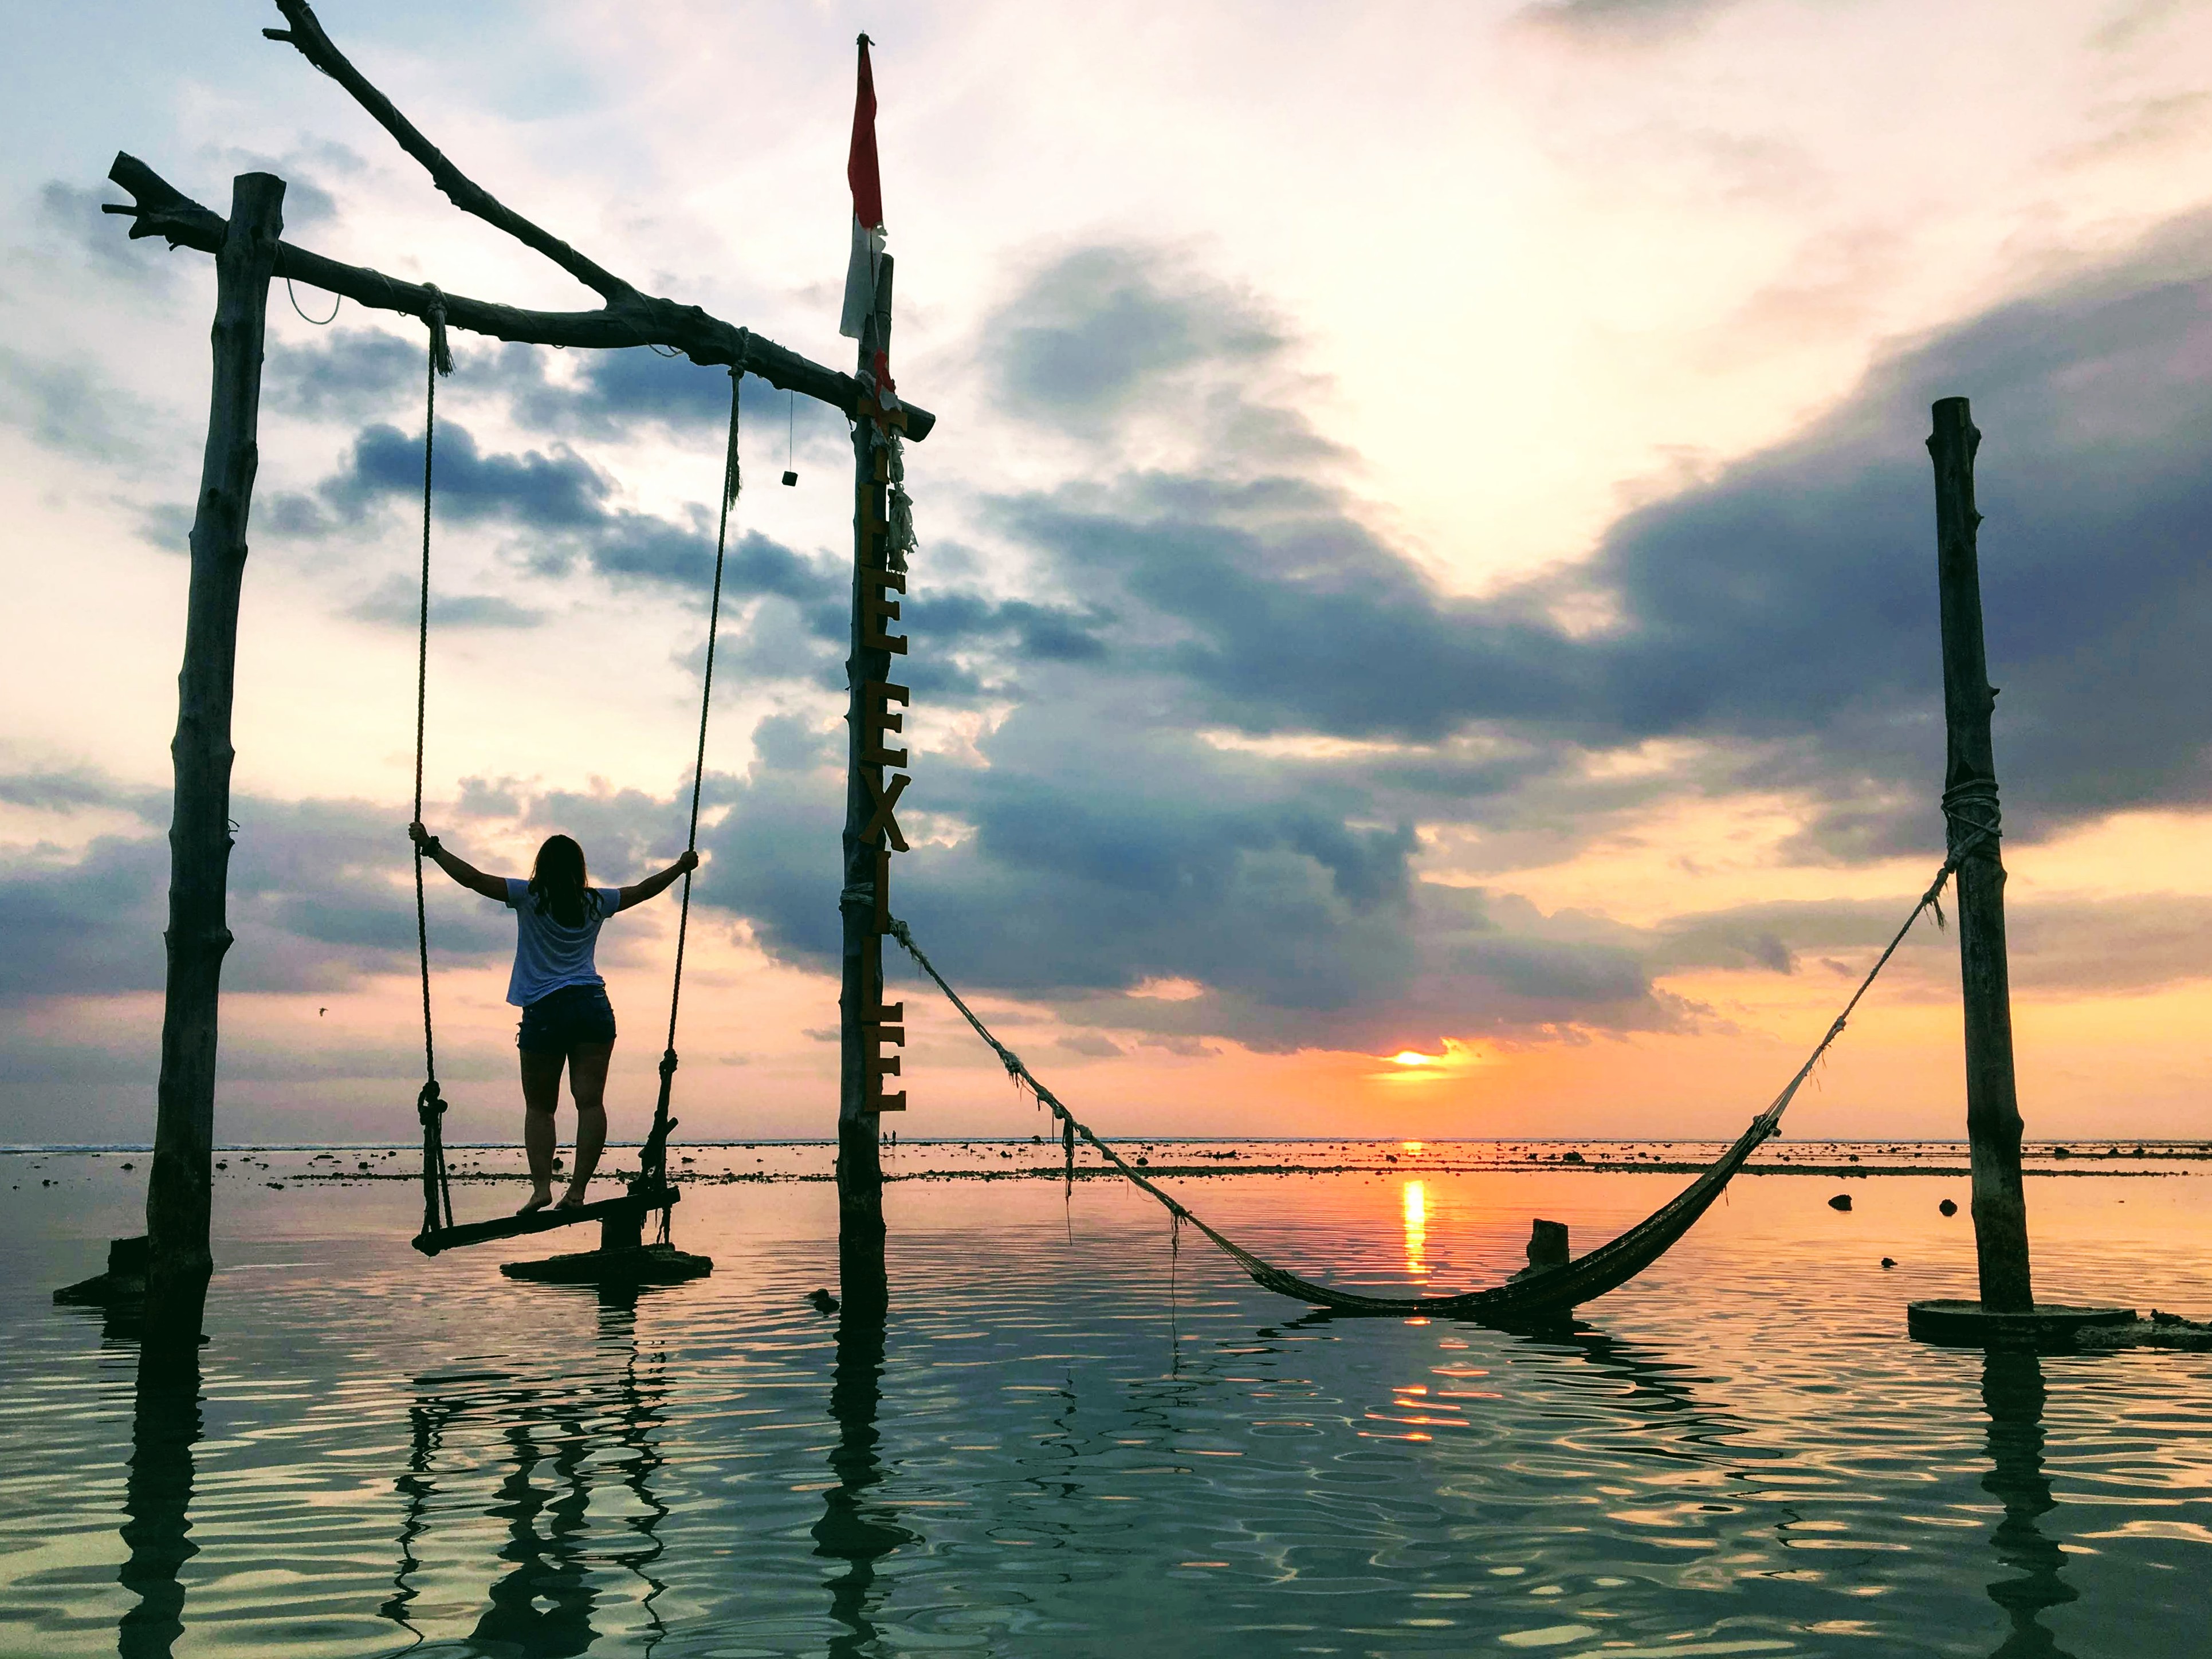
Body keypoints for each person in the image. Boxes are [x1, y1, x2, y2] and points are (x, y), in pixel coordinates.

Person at [409, 823, 700, 1214]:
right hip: (592, 1006)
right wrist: (680, 868)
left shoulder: (529, 896)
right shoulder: (596, 902)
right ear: (579, 869)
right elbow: (643, 890)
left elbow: (474, 879)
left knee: (541, 1107)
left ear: (541, 866)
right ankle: (577, 1192)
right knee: (590, 1104)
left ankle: (542, 1188)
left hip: (545, 1011)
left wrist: (432, 847)